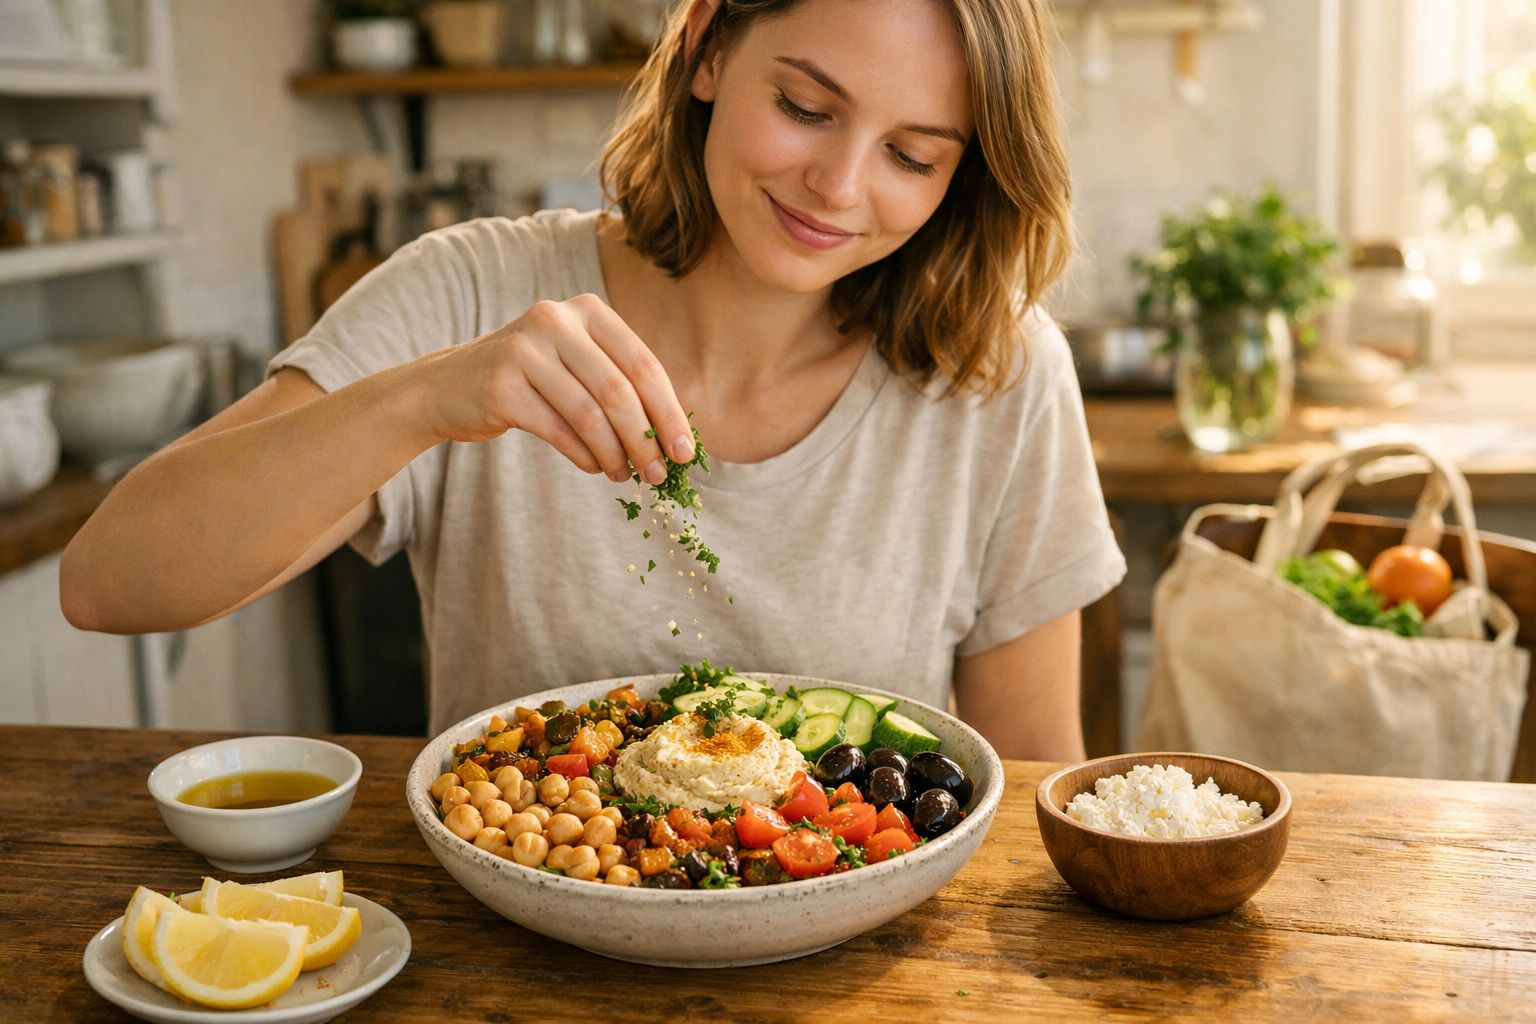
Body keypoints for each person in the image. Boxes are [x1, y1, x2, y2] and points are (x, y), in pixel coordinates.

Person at [60, 0, 1125, 758]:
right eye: (805, 106)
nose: (839, 186)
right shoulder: (472, 291)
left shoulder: (999, 371)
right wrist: (430, 397)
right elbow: (109, 580)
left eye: (914, 157)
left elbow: (1032, 771)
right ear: (707, 44)